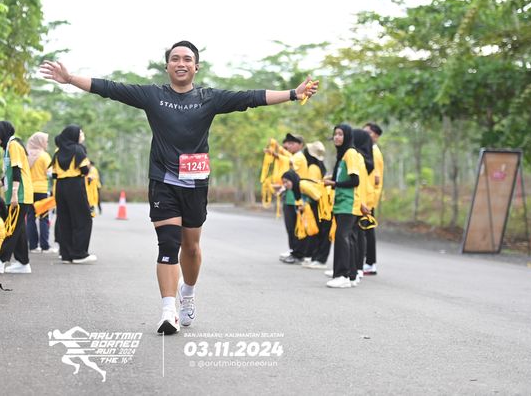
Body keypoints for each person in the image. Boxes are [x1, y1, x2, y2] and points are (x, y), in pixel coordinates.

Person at [41, 40, 318, 335]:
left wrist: (293, 93)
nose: (181, 63)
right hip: (163, 181)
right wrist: (70, 79)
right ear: (167, 66)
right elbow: (110, 88)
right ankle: (168, 311)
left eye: (187, 59)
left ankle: (188, 292)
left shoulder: (209, 98)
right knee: (168, 244)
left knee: (192, 248)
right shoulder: (153, 96)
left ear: (196, 67)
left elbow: (252, 97)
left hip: (195, 184)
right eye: (175, 58)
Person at [0, 121, 34, 274]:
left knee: (11, 228)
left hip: (20, 194)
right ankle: (23, 263)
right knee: (19, 230)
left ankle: (0, 260)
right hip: (17, 194)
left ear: (1, 132)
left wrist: (14, 194)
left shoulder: (13, 145)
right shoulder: (8, 147)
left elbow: (16, 171)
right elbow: (9, 173)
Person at [323, 124, 362, 289]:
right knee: (347, 239)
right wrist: (332, 181)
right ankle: (352, 275)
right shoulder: (343, 154)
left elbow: (355, 181)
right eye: (335, 134)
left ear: (347, 136)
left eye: (340, 134)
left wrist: (334, 183)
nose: (337, 137)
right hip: (341, 203)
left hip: (348, 203)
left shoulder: (351, 153)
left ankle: (342, 275)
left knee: (341, 237)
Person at [51, 125, 96, 264]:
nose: (82, 134)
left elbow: (54, 174)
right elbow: (84, 170)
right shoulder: (78, 149)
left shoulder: (58, 151)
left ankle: (66, 255)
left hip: (60, 187)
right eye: (80, 132)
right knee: (83, 219)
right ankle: (79, 254)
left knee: (64, 220)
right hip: (75, 185)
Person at [301, 141, 333, 269]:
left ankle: (320, 259)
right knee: (321, 231)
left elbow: (313, 186)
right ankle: (316, 257)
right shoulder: (319, 166)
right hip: (322, 201)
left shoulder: (313, 167)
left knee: (322, 231)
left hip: (319, 202)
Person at [278, 133, 308, 262]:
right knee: (291, 227)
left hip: (297, 197)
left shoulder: (299, 157)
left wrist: (277, 153)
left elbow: (287, 161)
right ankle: (293, 251)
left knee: (296, 227)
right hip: (290, 196)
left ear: (300, 145)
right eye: (288, 143)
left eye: (292, 143)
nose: (288, 146)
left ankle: (298, 253)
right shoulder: (293, 156)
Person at [352, 128, 375, 284]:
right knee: (360, 234)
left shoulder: (359, 157)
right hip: (364, 199)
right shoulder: (366, 158)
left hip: (361, 200)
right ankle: (357, 267)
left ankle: (357, 267)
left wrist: (361, 202)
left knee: (358, 235)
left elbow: (359, 183)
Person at [27, 131, 54, 254]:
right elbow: (50, 173)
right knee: (43, 217)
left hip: (29, 190)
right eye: (46, 141)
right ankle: (45, 246)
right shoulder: (44, 156)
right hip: (42, 190)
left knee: (30, 218)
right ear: (40, 142)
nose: (47, 143)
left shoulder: (27, 155)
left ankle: (33, 246)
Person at [363, 122, 384, 275]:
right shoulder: (369, 150)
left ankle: (370, 263)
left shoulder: (374, 153)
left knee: (367, 231)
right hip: (368, 196)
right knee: (366, 231)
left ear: (375, 136)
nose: (365, 135)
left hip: (369, 198)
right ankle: (368, 262)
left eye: (368, 132)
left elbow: (375, 179)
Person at [279, 170, 302, 264]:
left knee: (297, 230)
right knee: (290, 229)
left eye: (286, 182)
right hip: (287, 204)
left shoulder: (299, 185)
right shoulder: (286, 188)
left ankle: (299, 253)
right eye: (283, 182)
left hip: (296, 205)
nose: (285, 184)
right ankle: (292, 250)